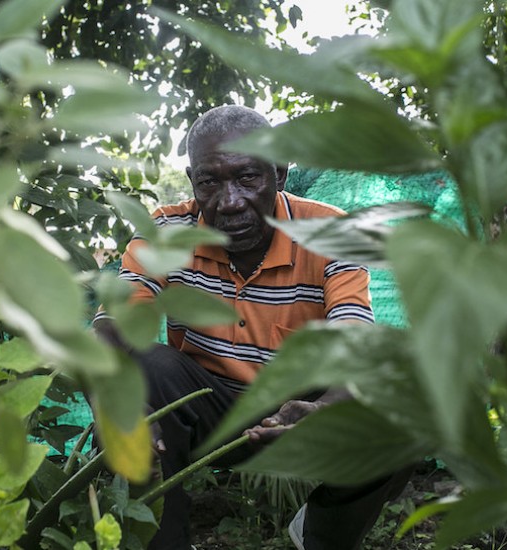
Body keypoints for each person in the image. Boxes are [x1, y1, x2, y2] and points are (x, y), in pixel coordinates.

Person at [93, 105, 411, 550]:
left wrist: (325, 410)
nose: (229, 202)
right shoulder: (168, 231)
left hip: (302, 409)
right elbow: (111, 326)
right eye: (210, 181)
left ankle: (321, 536)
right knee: (148, 366)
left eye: (247, 178)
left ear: (279, 173)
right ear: (192, 181)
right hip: (209, 408)